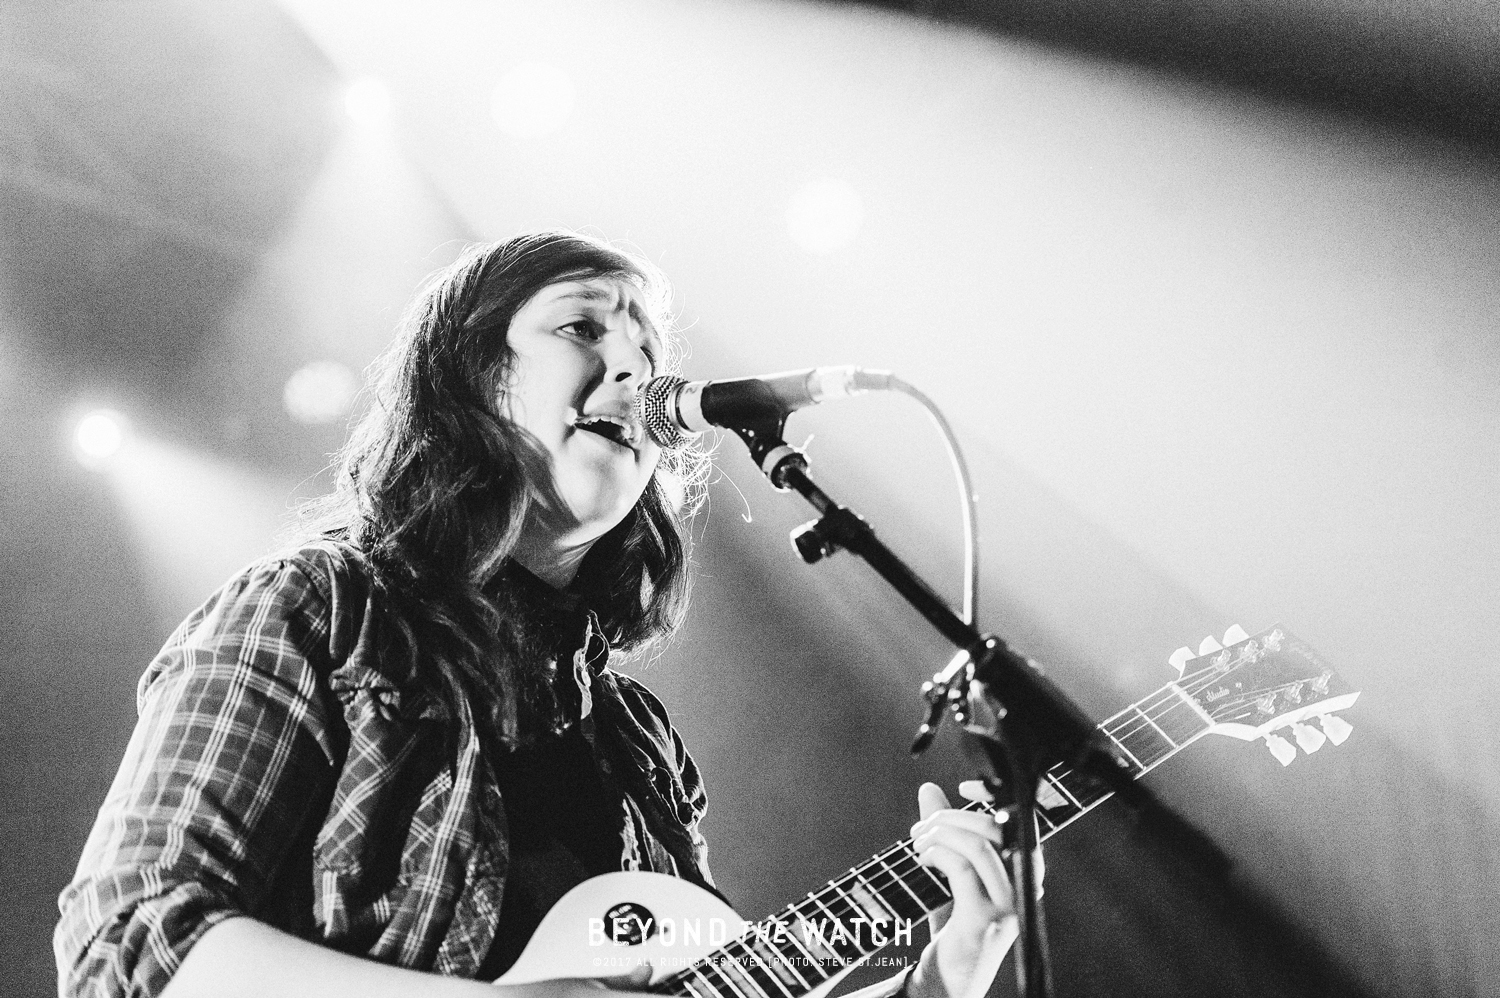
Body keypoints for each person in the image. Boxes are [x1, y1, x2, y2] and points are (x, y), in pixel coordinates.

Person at [55, 231, 1026, 998]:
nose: (638, 370)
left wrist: (944, 973)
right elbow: (133, 945)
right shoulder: (319, 610)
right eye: (585, 329)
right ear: (471, 376)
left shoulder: (636, 739)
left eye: (649, 343)